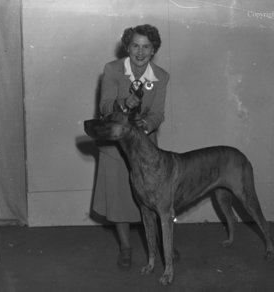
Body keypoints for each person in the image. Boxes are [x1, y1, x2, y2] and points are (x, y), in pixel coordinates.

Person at [92, 24, 169, 269]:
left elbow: (158, 114)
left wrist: (144, 127)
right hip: (115, 146)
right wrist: (124, 102)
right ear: (127, 46)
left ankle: (161, 243)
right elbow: (105, 107)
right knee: (119, 198)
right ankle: (126, 247)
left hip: (146, 150)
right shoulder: (112, 69)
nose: (140, 51)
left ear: (153, 49)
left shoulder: (161, 76)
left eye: (146, 46)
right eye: (135, 45)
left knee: (156, 199)